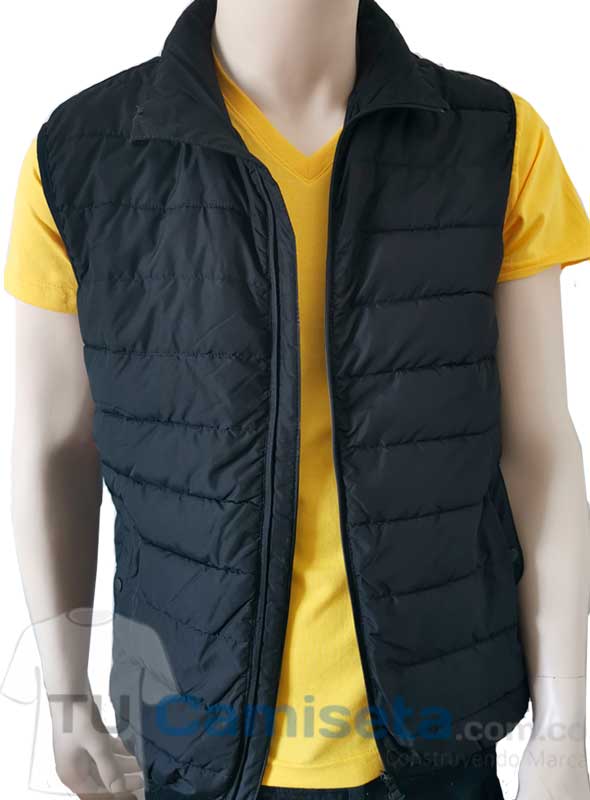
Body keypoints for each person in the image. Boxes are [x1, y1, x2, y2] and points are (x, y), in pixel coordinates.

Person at [4, 0, 590, 798]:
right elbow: (55, 450)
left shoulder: (496, 143)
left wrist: (564, 726)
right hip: (193, 747)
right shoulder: (79, 158)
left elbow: (538, 446)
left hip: (437, 745)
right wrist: (65, 698)